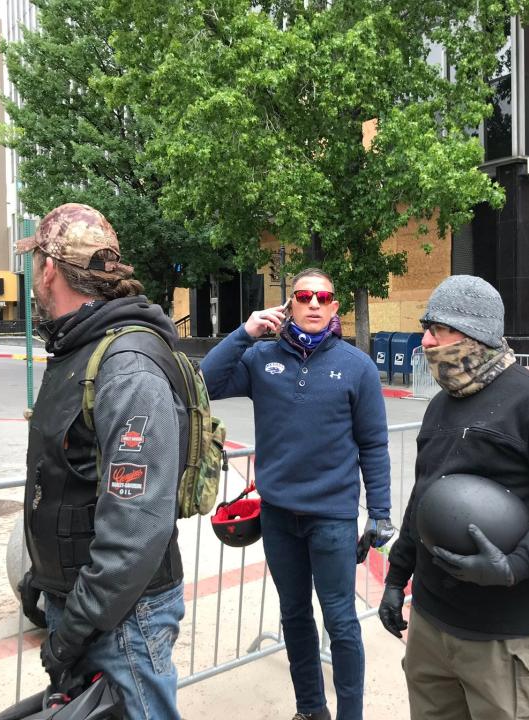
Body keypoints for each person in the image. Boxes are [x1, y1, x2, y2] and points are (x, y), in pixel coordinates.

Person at [379, 275, 529, 720]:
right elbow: (424, 498)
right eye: (427, 327)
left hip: (506, 634)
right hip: (431, 623)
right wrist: (396, 577)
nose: (426, 341)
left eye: (437, 329)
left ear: (475, 333)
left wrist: (514, 566)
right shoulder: (441, 404)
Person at [17, 203, 188, 720]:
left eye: (33, 267)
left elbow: (135, 531)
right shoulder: (79, 348)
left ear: (48, 268)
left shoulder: (125, 366)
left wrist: (71, 632)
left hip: (123, 619)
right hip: (87, 604)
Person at [199, 268, 394, 720]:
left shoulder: (356, 365)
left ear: (334, 308)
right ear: (289, 305)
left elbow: (374, 445)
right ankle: (311, 709)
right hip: (279, 519)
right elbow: (204, 385)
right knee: (295, 618)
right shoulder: (260, 359)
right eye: (303, 296)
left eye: (322, 298)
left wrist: (380, 513)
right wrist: (244, 332)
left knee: (341, 623)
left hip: (332, 519)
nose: (312, 304)